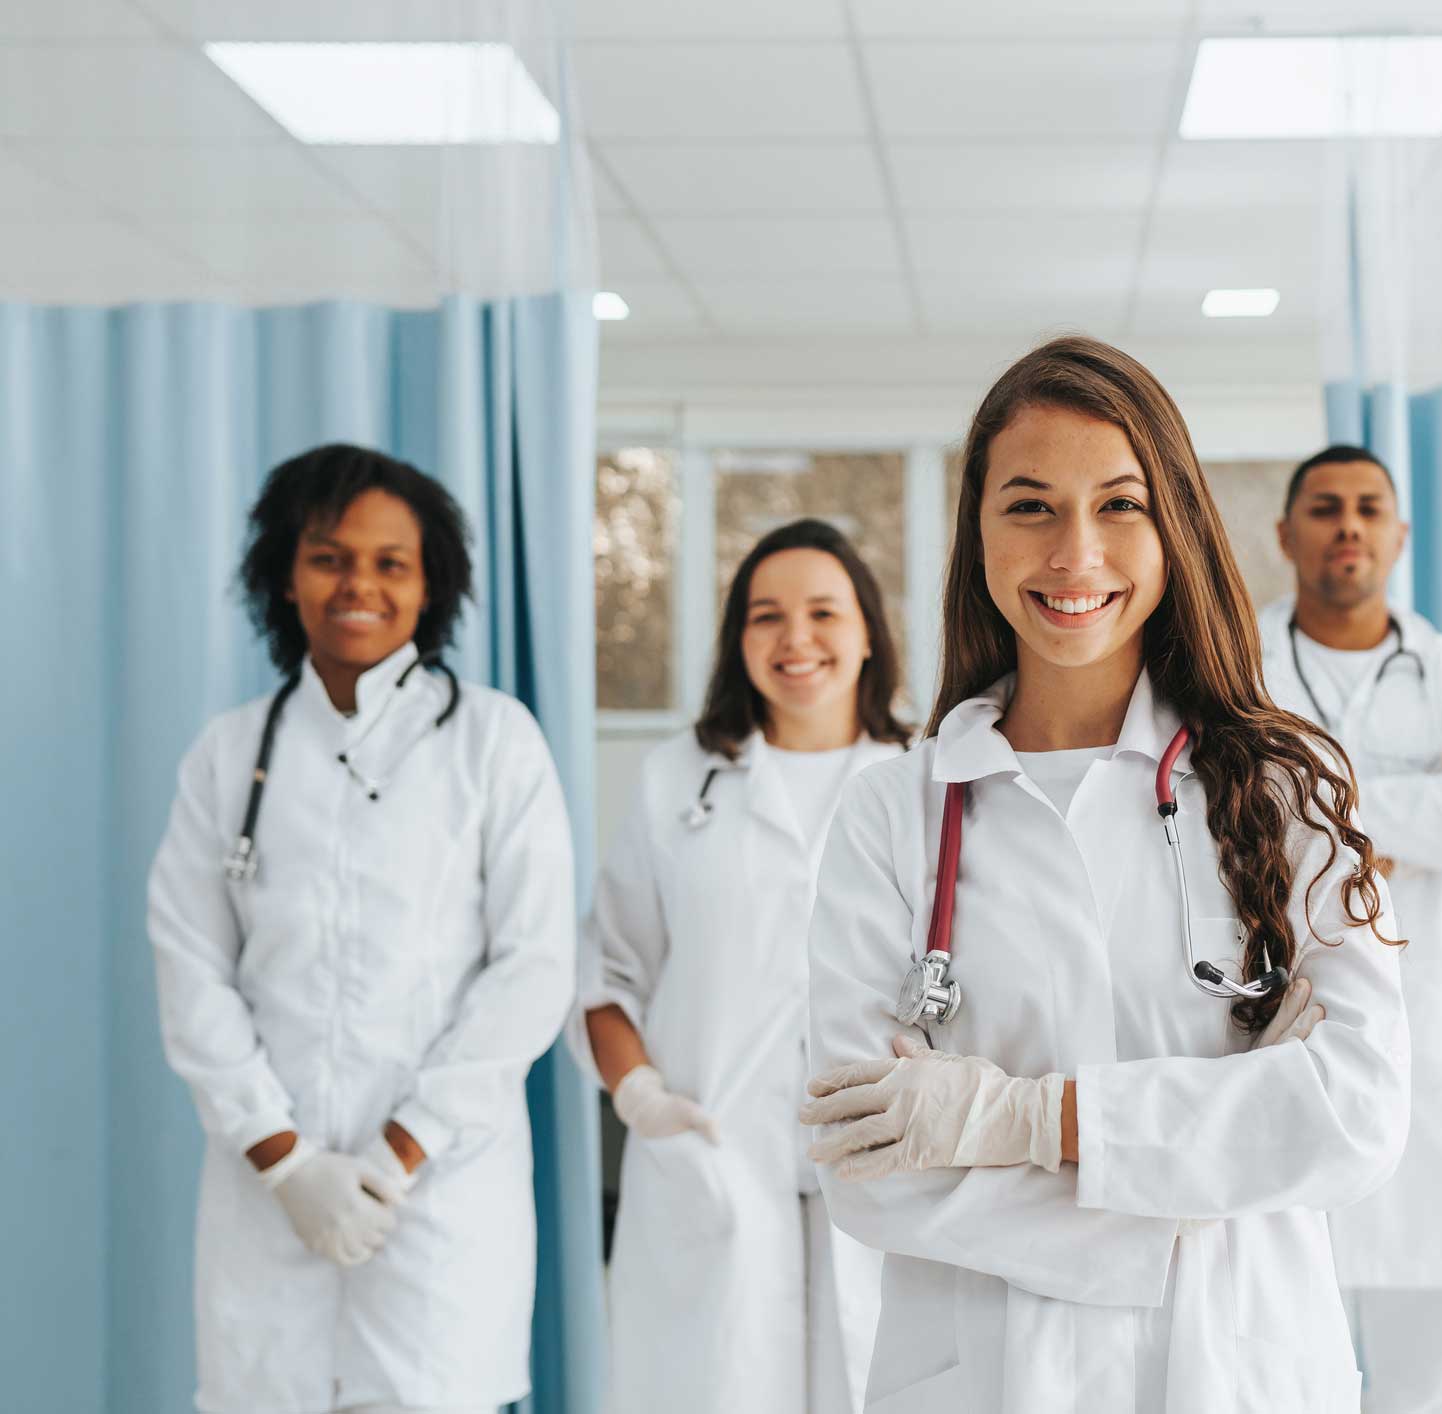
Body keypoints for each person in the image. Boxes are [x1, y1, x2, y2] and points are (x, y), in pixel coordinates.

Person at [798, 335, 1412, 1413]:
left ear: (1174, 525)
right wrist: (1207, 1159)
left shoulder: (1283, 788)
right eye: (1030, 506)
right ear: (977, 533)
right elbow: (861, 1165)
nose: (1075, 552)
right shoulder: (891, 813)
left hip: (1239, 1361)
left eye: (1119, 505)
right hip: (982, 1374)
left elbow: (1355, 1116)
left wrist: (1029, 1122)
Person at [147, 444, 576, 1414]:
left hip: (438, 1196)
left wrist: (397, 1152)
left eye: (392, 562)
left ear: (430, 585)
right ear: (285, 575)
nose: (359, 585)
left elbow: (532, 967)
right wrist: (286, 1159)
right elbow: (191, 965)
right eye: (329, 556)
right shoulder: (229, 756)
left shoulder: (494, 741)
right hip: (269, 1199)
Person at [578, 518, 912, 1414]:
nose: (794, 639)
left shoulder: (928, 782)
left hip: (894, 1170)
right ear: (738, 641)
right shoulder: (676, 781)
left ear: (868, 631)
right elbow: (605, 973)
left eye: (822, 613)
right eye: (765, 616)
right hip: (712, 1167)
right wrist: (646, 1104)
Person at [1258, 445, 1442, 1414]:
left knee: (1422, 1382)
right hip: (1280, 1032)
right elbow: (1227, 803)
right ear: (1286, 533)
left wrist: (1311, 800)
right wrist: (1413, 809)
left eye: (1370, 508)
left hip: (1433, 1038)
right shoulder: (1237, 667)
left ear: (1400, 535)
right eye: (1326, 507)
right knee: (1284, 1360)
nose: (1348, 525)